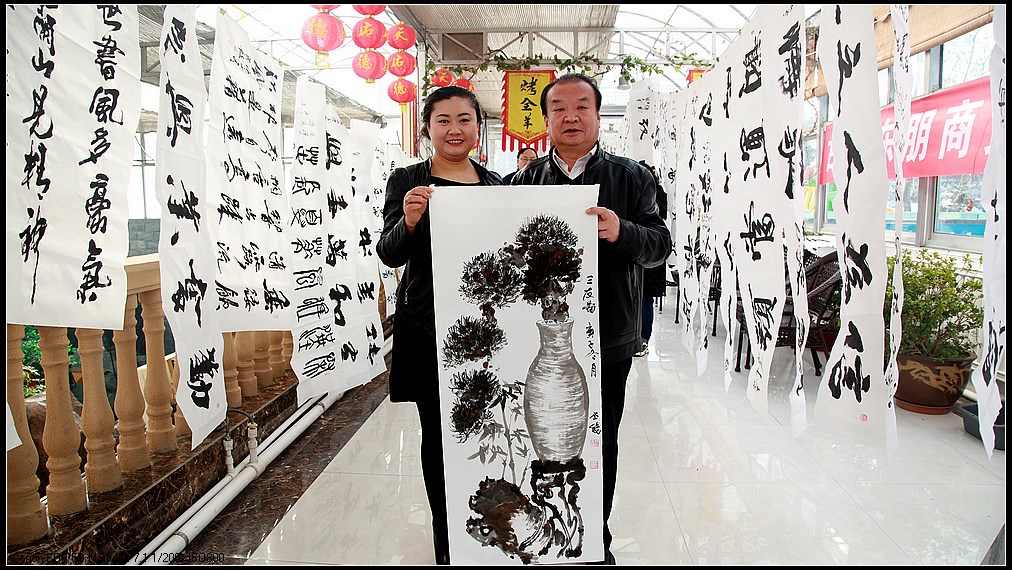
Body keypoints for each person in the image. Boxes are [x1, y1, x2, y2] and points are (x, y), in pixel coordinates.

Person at [511, 73, 672, 564]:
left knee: (600, 440)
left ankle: (593, 541)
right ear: (546, 119)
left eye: (582, 106)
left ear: (599, 115)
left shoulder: (632, 177)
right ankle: (549, 534)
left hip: (609, 333)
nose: (571, 117)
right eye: (559, 108)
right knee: (546, 440)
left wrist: (622, 230)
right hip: (546, 338)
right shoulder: (525, 181)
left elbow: (659, 246)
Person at [376, 85, 503, 566]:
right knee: (439, 435)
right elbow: (390, 253)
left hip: (484, 331)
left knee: (485, 428)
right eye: (443, 120)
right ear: (426, 128)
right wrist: (408, 222)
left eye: (465, 120)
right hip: (428, 328)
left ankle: (489, 534)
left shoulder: (495, 186)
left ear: (478, 128)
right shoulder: (408, 180)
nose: (455, 129)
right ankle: (448, 546)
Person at [635, 161, 669, 357]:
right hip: (638, 252)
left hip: (650, 254)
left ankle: (643, 339)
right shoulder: (650, 194)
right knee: (637, 299)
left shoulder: (657, 195)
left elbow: (657, 223)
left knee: (645, 299)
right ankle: (637, 338)